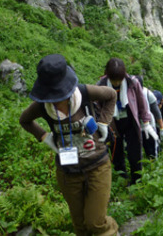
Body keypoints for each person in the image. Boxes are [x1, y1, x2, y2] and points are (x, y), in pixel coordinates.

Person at [19, 54, 119, 236]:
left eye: (59, 96)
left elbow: (111, 95)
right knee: (80, 225)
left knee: (95, 222)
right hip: (68, 173)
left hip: (97, 165)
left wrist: (104, 122)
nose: (55, 101)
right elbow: (24, 120)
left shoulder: (85, 93)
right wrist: (44, 136)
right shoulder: (42, 106)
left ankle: (113, 232)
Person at [98, 58, 157, 185]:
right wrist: (100, 123)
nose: (117, 83)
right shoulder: (101, 84)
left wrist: (146, 122)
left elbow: (142, 103)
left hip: (131, 121)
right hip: (113, 123)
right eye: (114, 80)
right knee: (116, 152)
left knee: (134, 152)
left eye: (119, 80)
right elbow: (97, 105)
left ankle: (137, 181)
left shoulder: (133, 83)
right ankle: (122, 179)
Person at [135, 76, 163, 159]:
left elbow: (157, 112)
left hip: (149, 125)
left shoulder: (148, 94)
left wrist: (162, 128)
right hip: (135, 126)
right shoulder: (128, 94)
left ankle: (153, 165)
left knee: (151, 149)